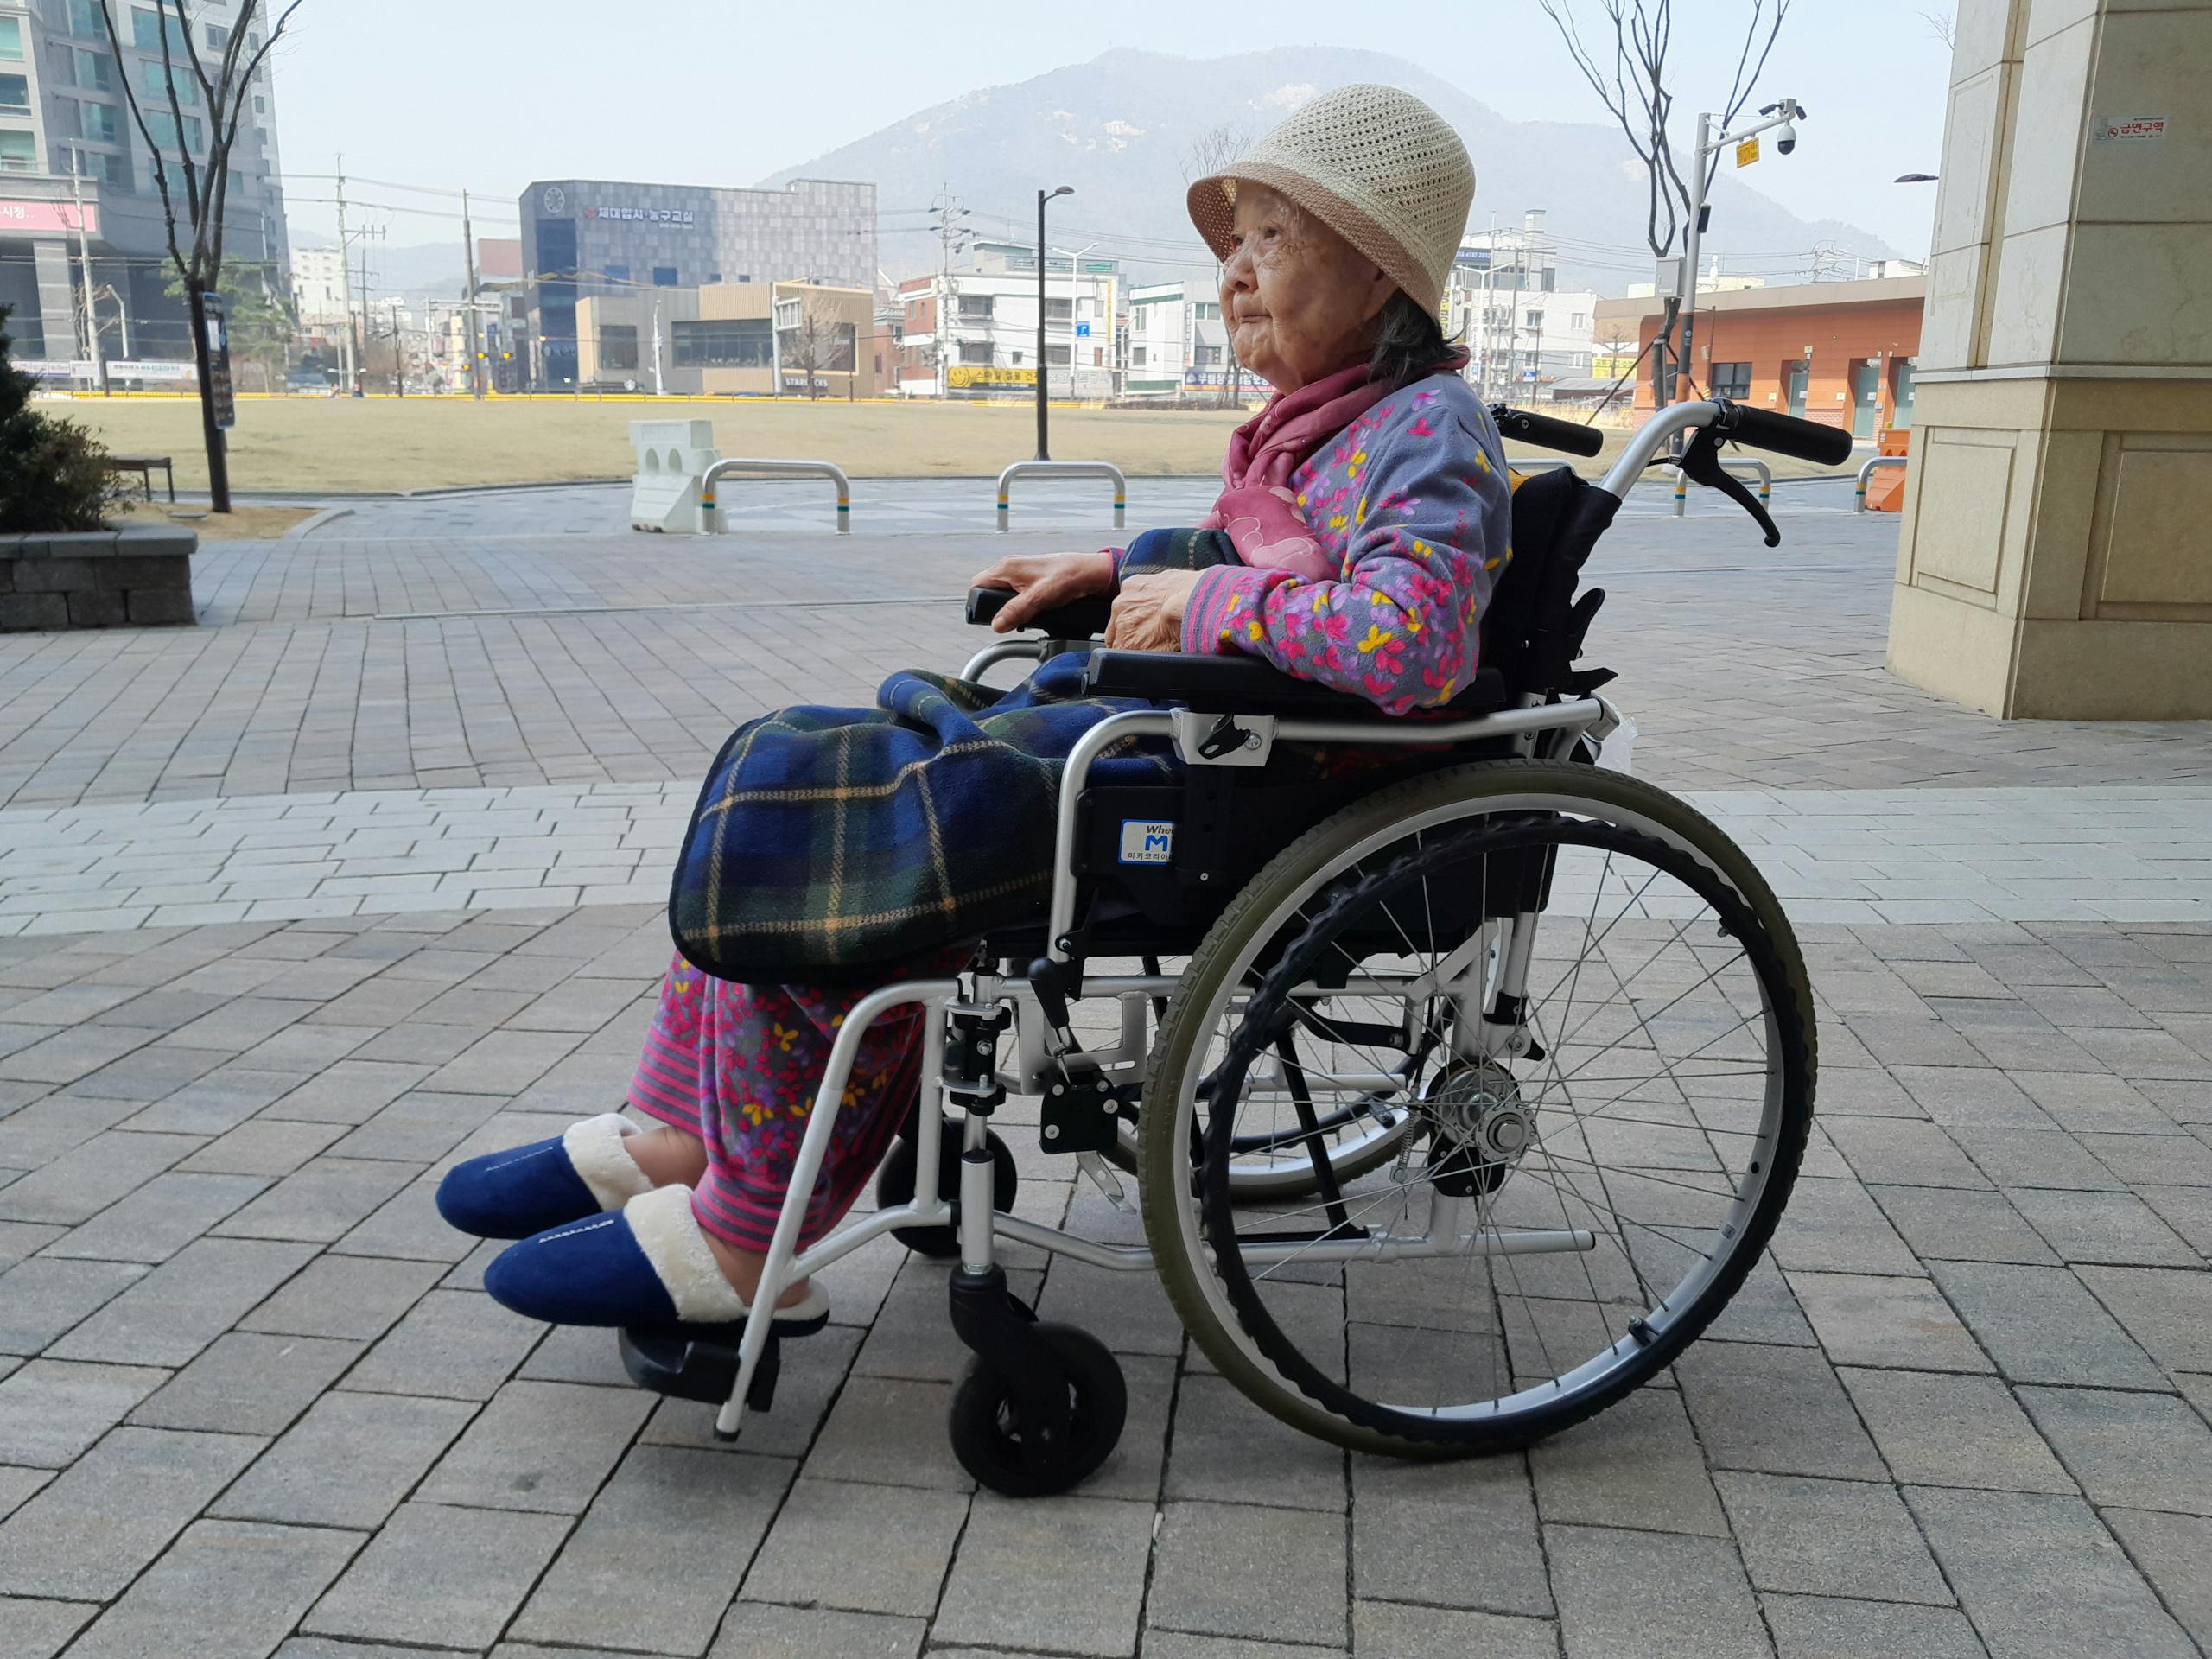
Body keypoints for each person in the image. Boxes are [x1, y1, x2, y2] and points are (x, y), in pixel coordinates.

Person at [435, 83, 1513, 1336]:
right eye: (1234, 240)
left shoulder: (1428, 432)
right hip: (1187, 742)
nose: (1234, 271)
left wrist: (1201, 604)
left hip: (1246, 782)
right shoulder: (1320, 430)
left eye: (1274, 238)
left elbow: (1415, 641)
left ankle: (740, 1243)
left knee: (850, 836)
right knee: (798, 765)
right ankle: (678, 1130)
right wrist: (1114, 575)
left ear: (1382, 273)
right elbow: (1247, 558)